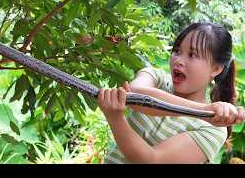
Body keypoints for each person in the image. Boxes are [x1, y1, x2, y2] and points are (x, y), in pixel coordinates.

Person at [99, 22, 245, 164]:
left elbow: (152, 160)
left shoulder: (213, 130)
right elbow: (135, 96)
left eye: (192, 54)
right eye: (177, 51)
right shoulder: (156, 77)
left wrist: (116, 119)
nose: (179, 60)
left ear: (215, 69)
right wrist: (203, 111)